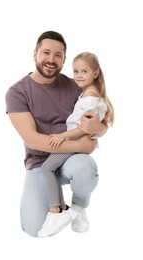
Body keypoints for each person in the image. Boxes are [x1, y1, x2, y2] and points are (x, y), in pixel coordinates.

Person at [5, 31, 107, 238]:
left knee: (85, 167)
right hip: (39, 164)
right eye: (46, 53)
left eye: (58, 55)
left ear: (64, 60)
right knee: (33, 228)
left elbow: (100, 121)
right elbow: (33, 140)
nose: (51, 59)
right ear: (35, 54)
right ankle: (60, 209)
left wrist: (98, 129)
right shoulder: (17, 92)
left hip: (69, 161)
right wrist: (82, 145)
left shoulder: (74, 85)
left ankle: (78, 208)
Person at [38, 52, 114, 237]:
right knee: (51, 169)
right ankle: (62, 208)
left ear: (95, 73)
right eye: (75, 71)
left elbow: (84, 128)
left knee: (46, 168)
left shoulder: (91, 99)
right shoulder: (87, 94)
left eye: (84, 71)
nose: (78, 75)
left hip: (73, 141)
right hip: (74, 140)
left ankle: (55, 211)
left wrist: (62, 136)